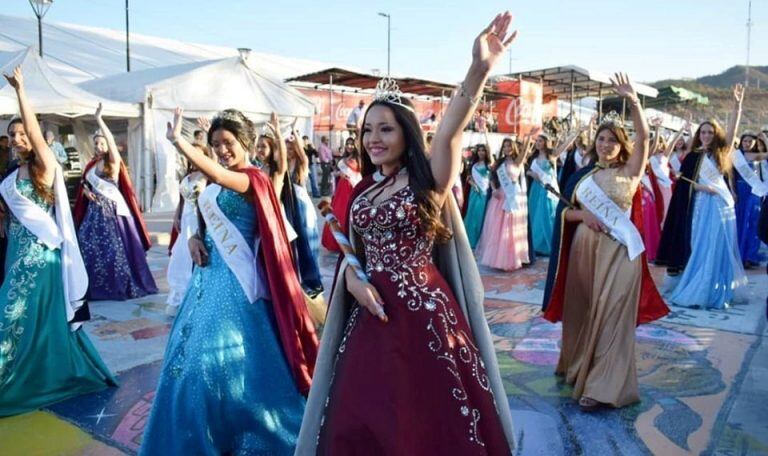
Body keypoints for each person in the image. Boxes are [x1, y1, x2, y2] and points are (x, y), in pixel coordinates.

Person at [296, 13, 518, 455]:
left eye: (386, 129)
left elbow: (451, 129)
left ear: (406, 134)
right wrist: (352, 281)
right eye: (367, 130)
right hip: (370, 317)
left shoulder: (427, 182)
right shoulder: (363, 190)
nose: (374, 138)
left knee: (428, 416)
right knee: (366, 410)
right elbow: (353, 256)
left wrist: (479, 69)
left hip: (424, 317)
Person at [141, 108, 318, 454]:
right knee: (190, 361)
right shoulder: (217, 182)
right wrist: (194, 239)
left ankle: (242, 433)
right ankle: (195, 436)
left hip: (237, 288)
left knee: (221, 363)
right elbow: (207, 216)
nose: (222, 149)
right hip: (205, 282)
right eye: (216, 143)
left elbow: (220, 177)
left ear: (246, 144)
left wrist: (178, 141)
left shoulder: (253, 179)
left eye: (228, 142)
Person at [542, 73, 669, 411]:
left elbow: (643, 136)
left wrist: (634, 102)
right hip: (586, 251)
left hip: (621, 252)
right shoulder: (582, 176)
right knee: (583, 312)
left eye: (613, 140)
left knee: (613, 315)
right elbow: (564, 214)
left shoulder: (631, 170)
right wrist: (583, 216)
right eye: (601, 139)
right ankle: (579, 367)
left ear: (621, 144)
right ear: (594, 142)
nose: (606, 144)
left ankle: (603, 387)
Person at [0, 66, 116, 417]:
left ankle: (20, 376)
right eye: (12, 134)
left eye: (23, 133)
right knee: (23, 316)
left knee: (15, 314)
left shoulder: (45, 164)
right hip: (17, 252)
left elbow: (34, 131)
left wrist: (21, 92)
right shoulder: (12, 174)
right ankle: (37, 370)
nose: (19, 138)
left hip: (40, 255)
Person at [658, 85, 748, 310]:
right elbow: (684, 185)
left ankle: (715, 286)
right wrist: (699, 187)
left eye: (710, 132)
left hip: (720, 206)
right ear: (698, 135)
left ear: (715, 134)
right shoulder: (692, 157)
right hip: (699, 206)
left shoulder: (721, 153)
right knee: (699, 245)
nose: (706, 135)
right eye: (703, 132)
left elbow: (733, 130)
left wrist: (737, 106)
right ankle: (698, 284)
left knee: (716, 245)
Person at [73, 103, 157, 301]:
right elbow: (85, 184)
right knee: (87, 246)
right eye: (96, 144)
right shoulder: (92, 165)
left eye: (102, 143)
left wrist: (100, 120)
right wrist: (85, 191)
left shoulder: (113, 162)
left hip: (112, 212)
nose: (99, 147)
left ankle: (117, 286)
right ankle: (93, 287)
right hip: (94, 213)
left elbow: (110, 143)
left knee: (114, 250)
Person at [166, 140, 210, 314]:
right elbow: (181, 199)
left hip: (198, 220)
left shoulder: (206, 176)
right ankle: (178, 295)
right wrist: (177, 214)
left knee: (192, 255)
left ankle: (194, 295)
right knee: (179, 255)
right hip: (185, 219)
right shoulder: (187, 177)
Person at [476, 137, 533, 271]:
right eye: (505, 146)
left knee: (512, 229)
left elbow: (524, 151)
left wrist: (528, 137)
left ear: (513, 147)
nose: (507, 148)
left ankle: (512, 258)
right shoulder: (499, 163)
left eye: (509, 146)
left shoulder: (518, 161)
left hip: (513, 197)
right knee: (498, 229)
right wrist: (494, 189)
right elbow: (491, 177)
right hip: (500, 196)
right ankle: (497, 259)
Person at [321, 136, 362, 253]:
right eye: (347, 144)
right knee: (337, 212)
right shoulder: (345, 157)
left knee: (346, 213)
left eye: (351, 144)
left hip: (350, 188)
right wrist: (339, 173)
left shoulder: (358, 158)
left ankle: (349, 242)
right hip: (341, 188)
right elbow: (337, 171)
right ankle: (334, 241)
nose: (349, 146)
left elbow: (359, 174)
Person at [733, 131, 768, 268]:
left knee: (754, 223)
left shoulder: (756, 156)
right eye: (745, 141)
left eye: (750, 141)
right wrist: (733, 191)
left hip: (754, 192)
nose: (747, 144)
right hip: (741, 191)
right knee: (741, 222)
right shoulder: (736, 156)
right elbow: (731, 175)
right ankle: (740, 255)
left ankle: (750, 256)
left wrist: (765, 140)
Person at [463, 143, 493, 248]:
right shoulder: (473, 164)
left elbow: (492, 179)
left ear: (486, 152)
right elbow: (468, 178)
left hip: (485, 193)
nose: (481, 152)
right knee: (472, 215)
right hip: (474, 192)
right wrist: (473, 184)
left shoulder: (489, 164)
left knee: (482, 216)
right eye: (479, 150)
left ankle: (480, 241)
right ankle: (470, 240)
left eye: (483, 150)